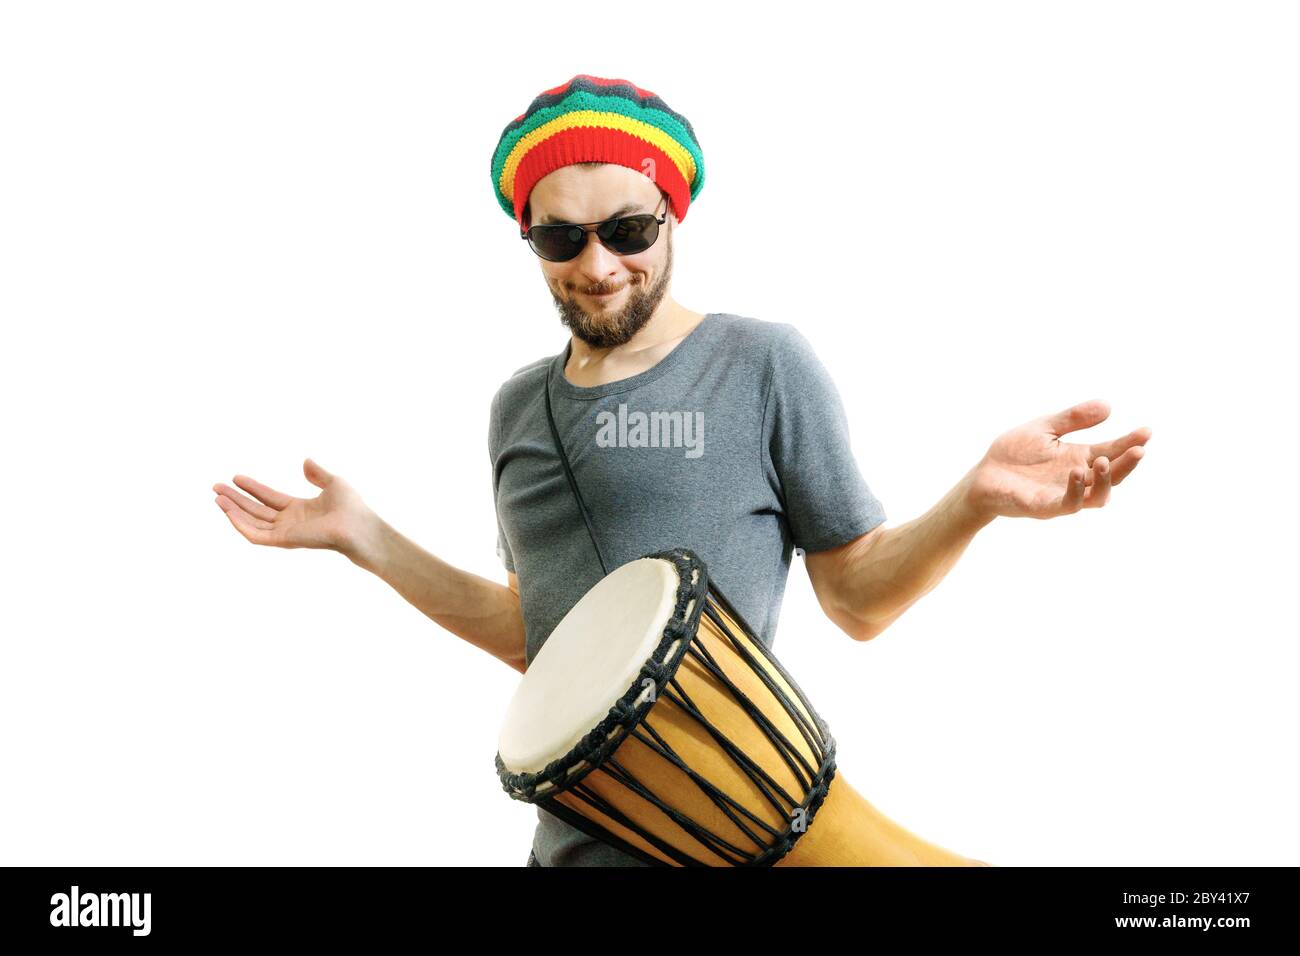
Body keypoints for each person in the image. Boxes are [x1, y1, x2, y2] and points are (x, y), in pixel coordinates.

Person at [213, 74, 1152, 868]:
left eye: (627, 228)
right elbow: (548, 640)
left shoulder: (762, 365)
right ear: (529, 240)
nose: (599, 264)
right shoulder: (515, 409)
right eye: (560, 237)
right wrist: (365, 539)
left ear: (672, 217)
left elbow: (858, 599)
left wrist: (973, 501)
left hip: (741, 844)